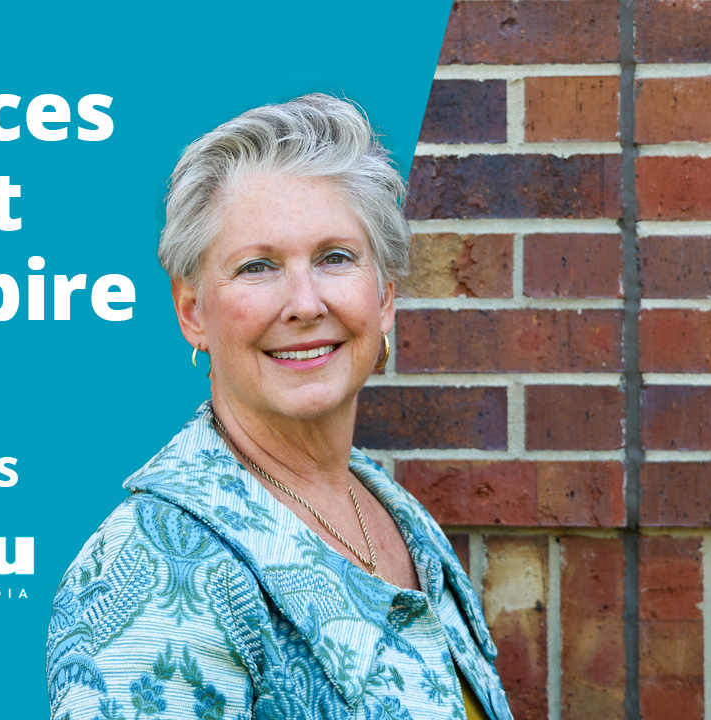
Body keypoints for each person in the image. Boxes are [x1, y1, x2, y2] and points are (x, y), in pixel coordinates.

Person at [46, 94, 513, 720]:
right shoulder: (157, 568)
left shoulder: (398, 517)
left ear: (384, 298)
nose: (304, 303)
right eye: (258, 266)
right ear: (192, 312)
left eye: (335, 258)